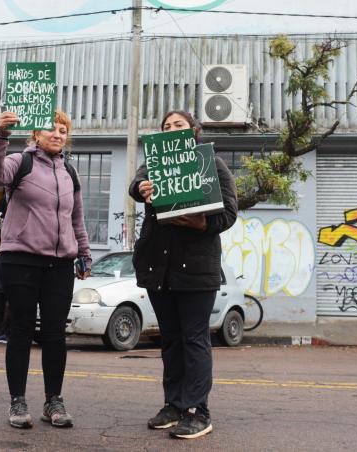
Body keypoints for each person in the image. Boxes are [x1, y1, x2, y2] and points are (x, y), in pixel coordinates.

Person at [129, 110, 238, 439]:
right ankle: (174, 405)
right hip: (158, 269)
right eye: (166, 126)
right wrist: (141, 187)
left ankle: (198, 410)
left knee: (194, 340)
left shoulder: (212, 163)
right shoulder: (154, 163)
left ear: (194, 131)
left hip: (197, 271)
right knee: (171, 341)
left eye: (178, 125)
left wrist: (203, 224)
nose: (171, 130)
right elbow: (136, 186)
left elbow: (230, 211)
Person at [0, 109, 91, 429]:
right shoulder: (20, 161)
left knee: (55, 333)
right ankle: (18, 401)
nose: (58, 134)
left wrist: (83, 253)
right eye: (51, 129)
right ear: (35, 135)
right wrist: (1, 135)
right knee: (22, 329)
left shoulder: (70, 172)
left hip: (60, 264)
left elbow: (77, 220)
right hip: (21, 259)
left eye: (63, 130)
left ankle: (53, 401)